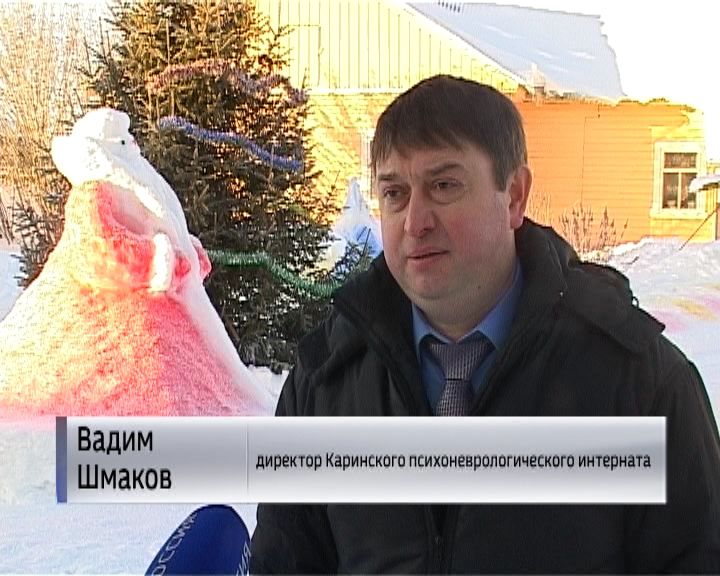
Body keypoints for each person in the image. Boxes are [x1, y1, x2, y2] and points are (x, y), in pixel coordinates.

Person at [250, 75, 720, 573]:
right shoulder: (324, 384)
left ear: (514, 196)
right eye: (394, 194)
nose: (415, 222)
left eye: (444, 186)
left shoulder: (637, 383)